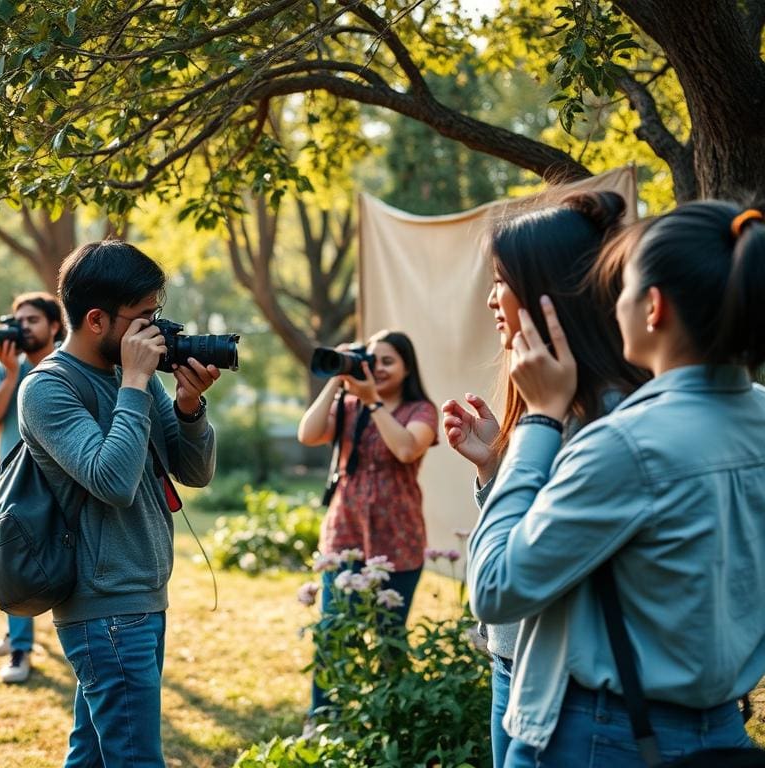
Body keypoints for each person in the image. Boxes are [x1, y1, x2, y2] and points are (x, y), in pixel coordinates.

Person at [467, 201, 765, 767]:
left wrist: (538, 420)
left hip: (606, 733)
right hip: (722, 725)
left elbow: (496, 588)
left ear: (652, 307)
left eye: (622, 285)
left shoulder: (626, 442)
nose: (610, 300)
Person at [441, 191, 646, 767]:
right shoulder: (555, 405)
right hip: (515, 662)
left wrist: (535, 424)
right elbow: (529, 542)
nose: (489, 300)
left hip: (572, 695)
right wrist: (492, 468)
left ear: (547, 294)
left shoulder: (605, 420)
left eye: (501, 281)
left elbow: (504, 580)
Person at [19, 240, 219, 767]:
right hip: (104, 609)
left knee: (90, 757)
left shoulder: (133, 378)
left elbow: (195, 472)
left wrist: (190, 406)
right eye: (144, 317)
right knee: (135, 759)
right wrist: (134, 381)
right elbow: (112, 480)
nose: (157, 330)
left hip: (143, 594)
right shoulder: (47, 389)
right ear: (97, 320)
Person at [297, 331, 439, 721]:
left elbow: (407, 448)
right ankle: (323, 720)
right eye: (372, 359)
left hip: (398, 538)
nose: (378, 367)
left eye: (389, 361)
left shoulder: (420, 410)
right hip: (344, 535)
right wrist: (336, 379)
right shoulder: (348, 405)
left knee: (389, 637)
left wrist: (373, 401)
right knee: (332, 633)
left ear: (408, 367)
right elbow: (307, 434)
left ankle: (390, 718)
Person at [0, 291, 63, 684]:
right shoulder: (4, 366)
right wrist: (11, 375)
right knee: (14, 559)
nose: (23, 327)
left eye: (32, 320)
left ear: (55, 326)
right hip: (14, 480)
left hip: (62, 477)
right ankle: (20, 649)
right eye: (19, 320)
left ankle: (22, 633)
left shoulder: (68, 363)